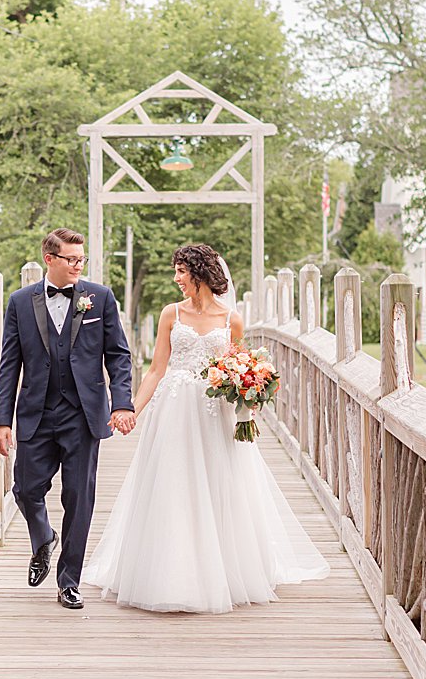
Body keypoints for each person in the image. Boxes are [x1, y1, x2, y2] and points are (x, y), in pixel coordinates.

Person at [84, 243, 329, 613]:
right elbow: (156, 369)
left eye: (181, 271)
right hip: (174, 410)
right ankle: (169, 571)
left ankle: (223, 570)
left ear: (198, 273)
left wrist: (249, 391)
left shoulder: (232, 319)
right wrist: (130, 409)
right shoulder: (171, 314)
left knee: (220, 482)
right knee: (173, 484)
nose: (176, 279)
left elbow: (241, 365)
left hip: (215, 411)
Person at [0, 228, 136, 610]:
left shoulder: (100, 298)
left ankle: (69, 581)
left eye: (81, 259)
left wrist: (122, 403)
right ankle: (43, 538)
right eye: (71, 259)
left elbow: (118, 356)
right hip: (36, 413)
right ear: (49, 259)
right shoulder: (21, 302)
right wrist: (1, 420)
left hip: (84, 414)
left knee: (79, 497)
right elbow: (10, 365)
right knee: (24, 488)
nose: (77, 266)